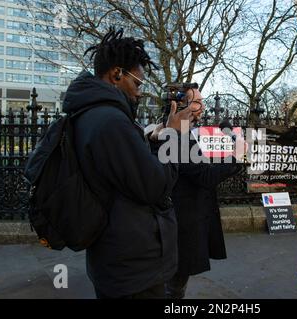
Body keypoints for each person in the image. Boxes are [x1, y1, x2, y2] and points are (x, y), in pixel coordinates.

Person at [61, 28, 193, 299]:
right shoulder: (110, 120)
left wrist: (156, 141)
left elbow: (131, 173)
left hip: (114, 258)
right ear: (117, 74)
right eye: (137, 83)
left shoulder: (87, 114)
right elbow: (156, 187)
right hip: (134, 267)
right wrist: (175, 135)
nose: (139, 92)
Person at [153, 89, 244, 299]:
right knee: (174, 286)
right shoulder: (178, 137)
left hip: (181, 219)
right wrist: (235, 157)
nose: (202, 107)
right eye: (197, 102)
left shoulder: (178, 132)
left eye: (202, 102)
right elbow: (205, 176)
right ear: (179, 106)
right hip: (181, 222)